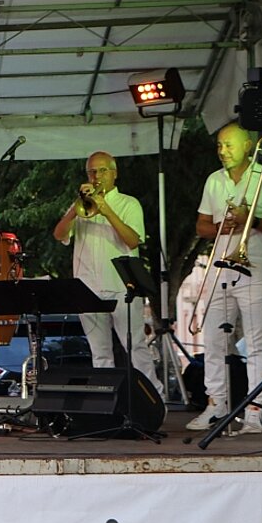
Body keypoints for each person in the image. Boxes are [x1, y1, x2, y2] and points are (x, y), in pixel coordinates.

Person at [186, 123, 262, 434]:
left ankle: (255, 411)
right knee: (214, 340)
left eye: (229, 145)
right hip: (222, 267)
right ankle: (216, 403)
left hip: (257, 266)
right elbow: (201, 227)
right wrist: (225, 223)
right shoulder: (214, 181)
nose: (223, 152)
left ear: (248, 146)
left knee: (257, 342)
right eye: (220, 146)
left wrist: (253, 220)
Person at [52, 151, 160, 391]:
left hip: (123, 287)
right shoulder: (80, 205)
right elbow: (59, 235)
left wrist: (107, 211)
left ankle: (154, 398)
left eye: (102, 170)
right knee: (99, 353)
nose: (96, 176)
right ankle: (106, 400)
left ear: (114, 173)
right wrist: (74, 208)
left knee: (135, 348)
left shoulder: (128, 203)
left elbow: (133, 241)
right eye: (92, 171)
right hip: (88, 287)